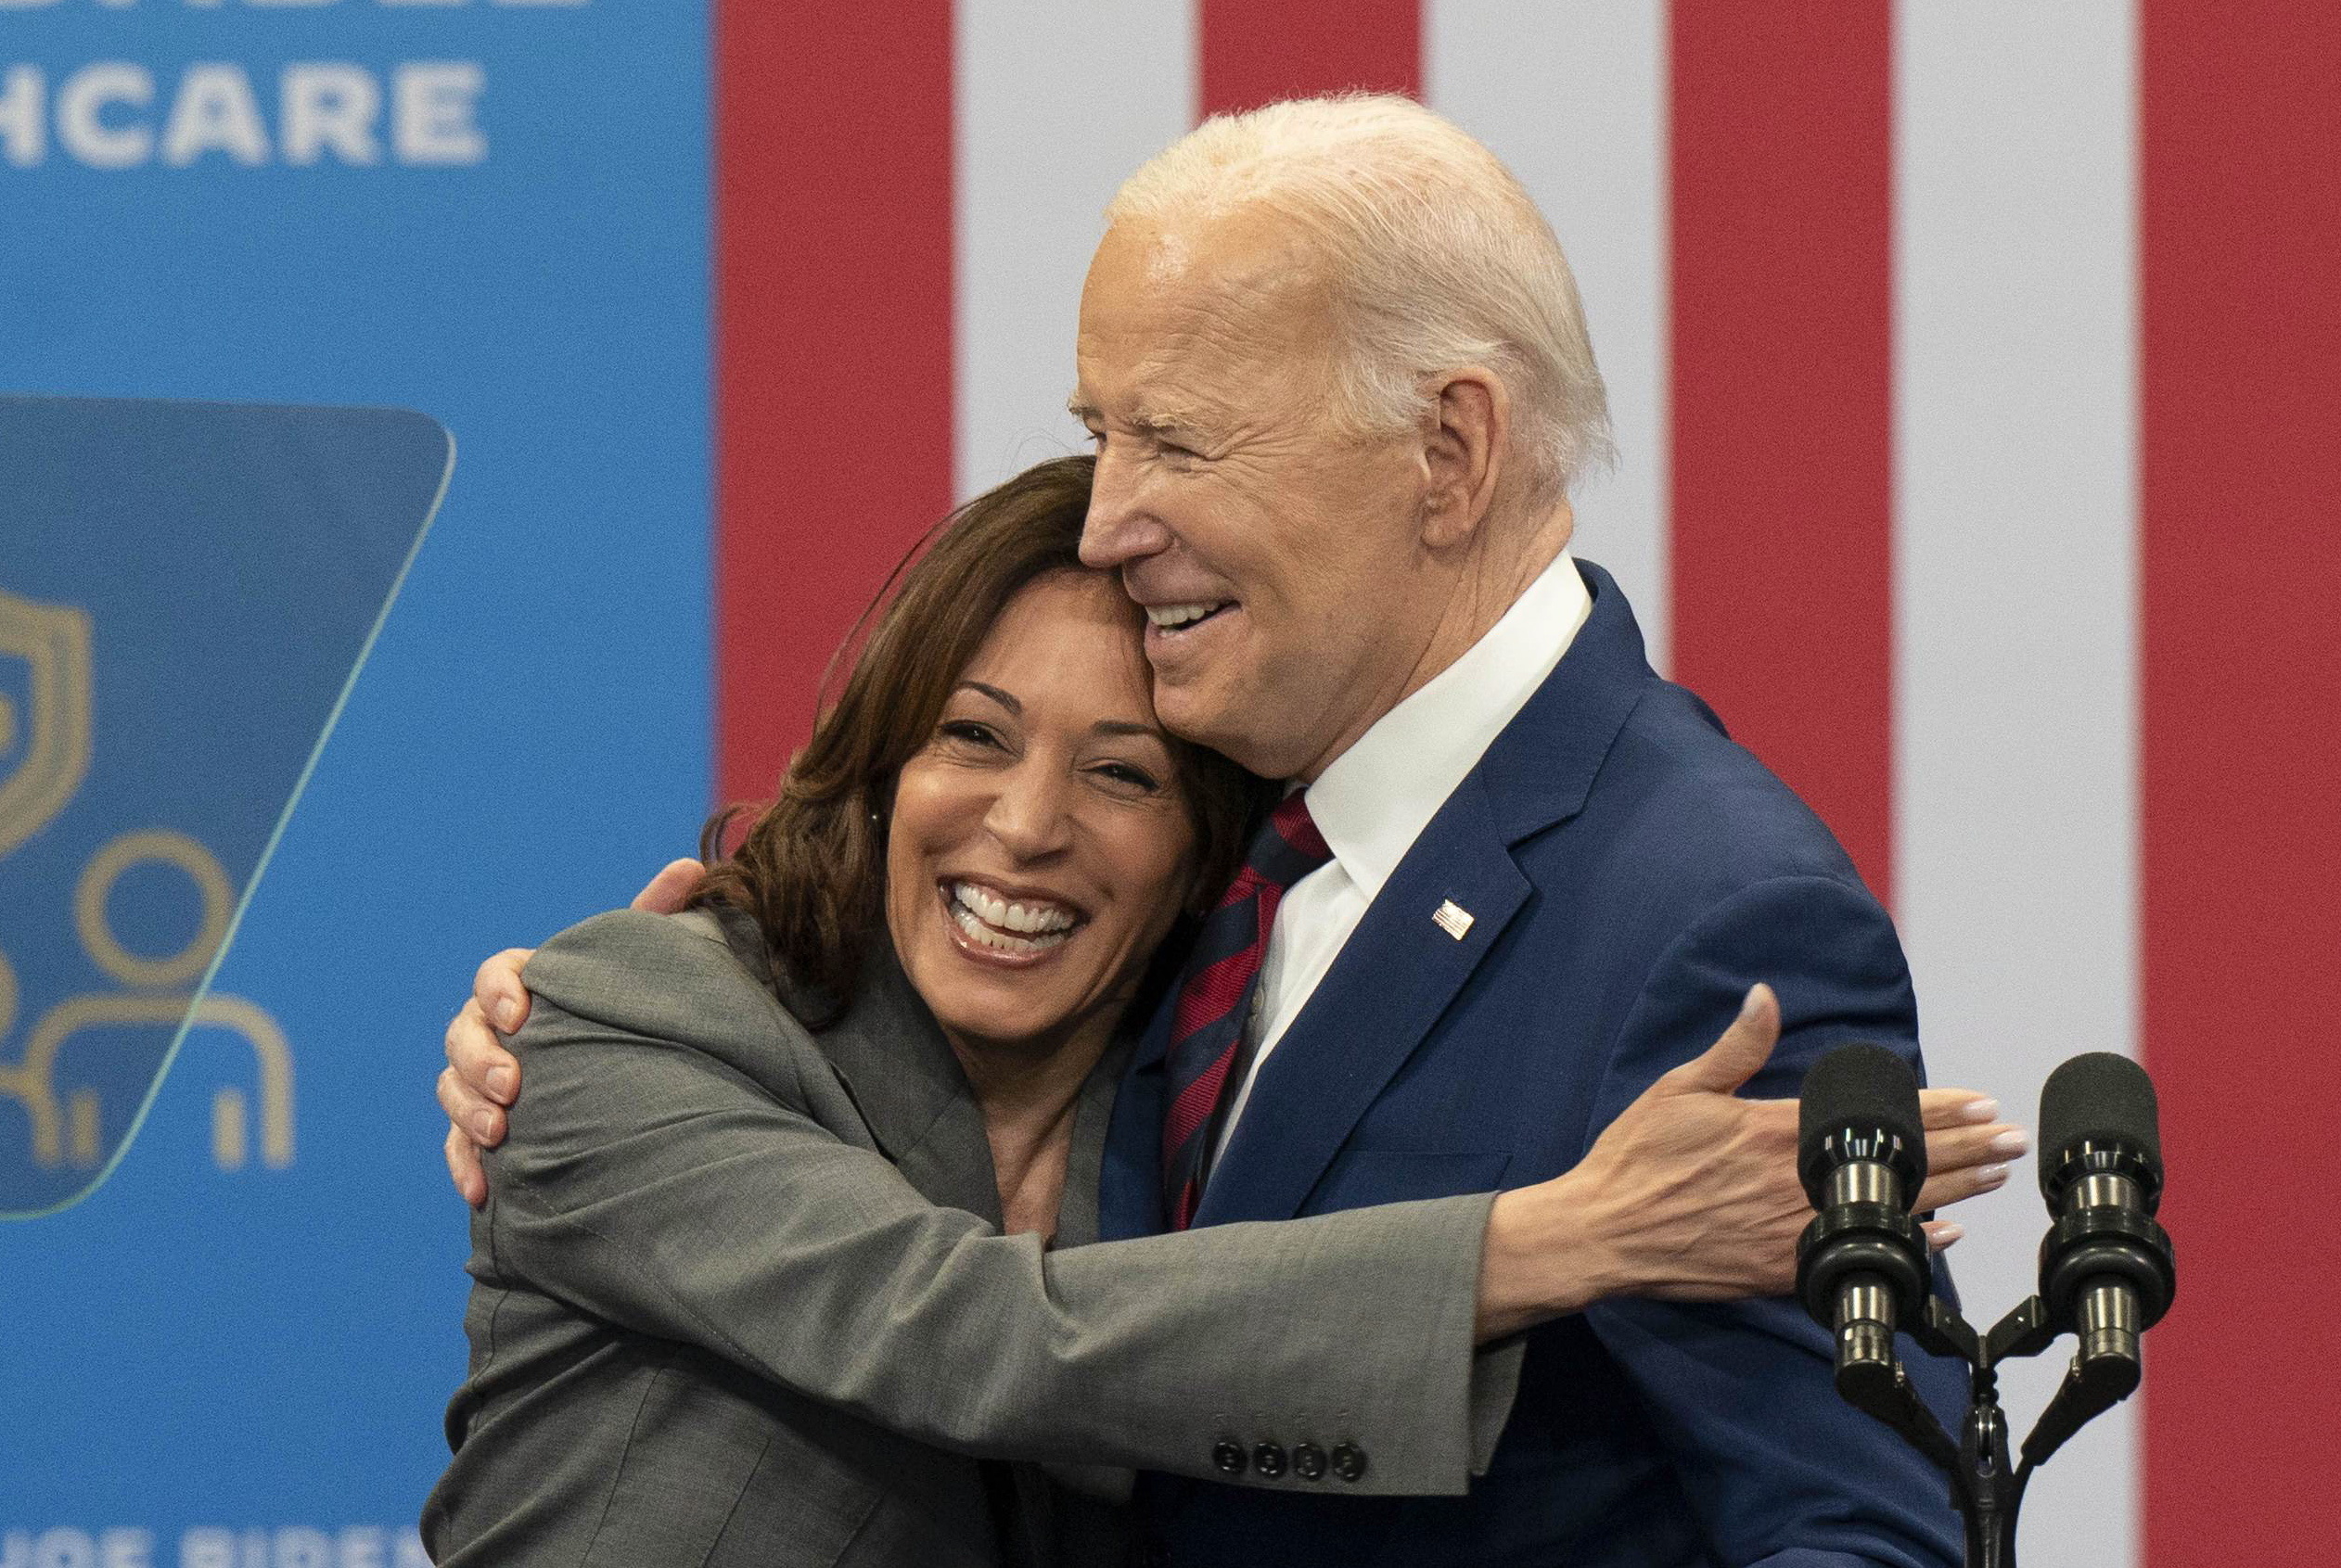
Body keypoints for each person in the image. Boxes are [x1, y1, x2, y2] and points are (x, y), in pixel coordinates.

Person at [444, 97, 2029, 1566]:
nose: (1107, 515)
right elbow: (994, 1313)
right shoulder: (1222, 863)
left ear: (1448, 452)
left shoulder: (1703, 911)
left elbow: (1867, 1536)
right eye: (1103, 429)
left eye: (1182, 441)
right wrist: (597, 1023)